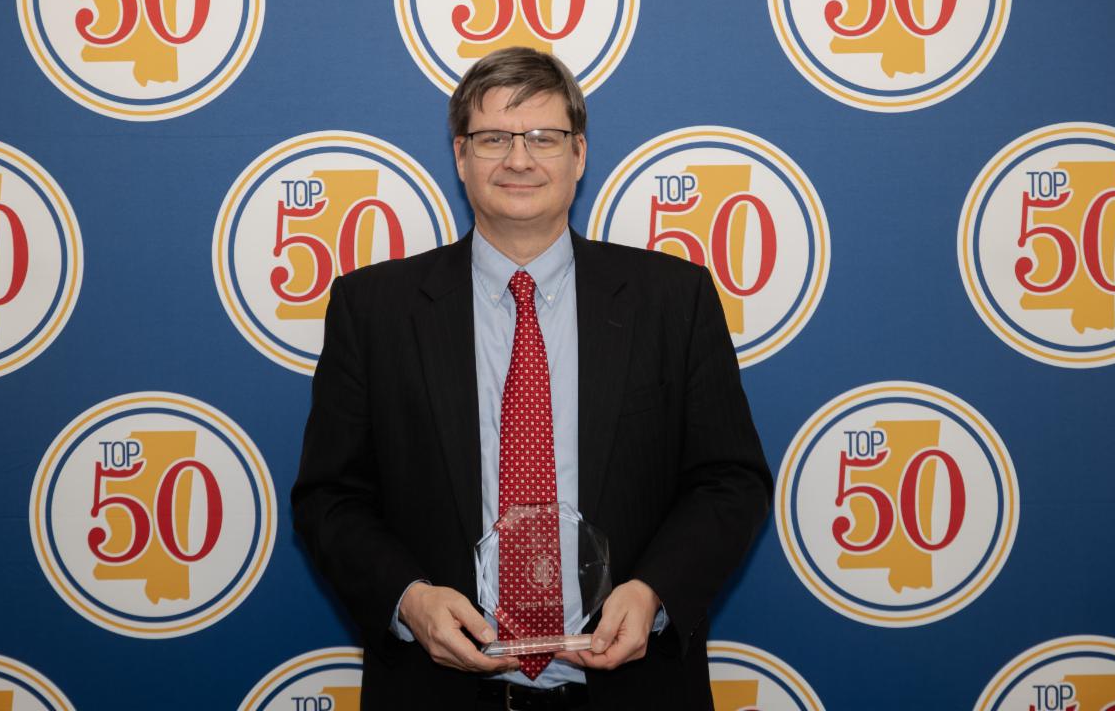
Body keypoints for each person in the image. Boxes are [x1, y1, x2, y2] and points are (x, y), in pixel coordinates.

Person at [292, 46, 772, 710]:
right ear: (461, 156)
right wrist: (411, 600)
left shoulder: (673, 300)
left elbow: (730, 480)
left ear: (579, 154)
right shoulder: (373, 309)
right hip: (437, 693)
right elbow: (330, 497)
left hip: (634, 693)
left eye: (544, 137)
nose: (519, 160)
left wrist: (653, 591)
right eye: (494, 138)